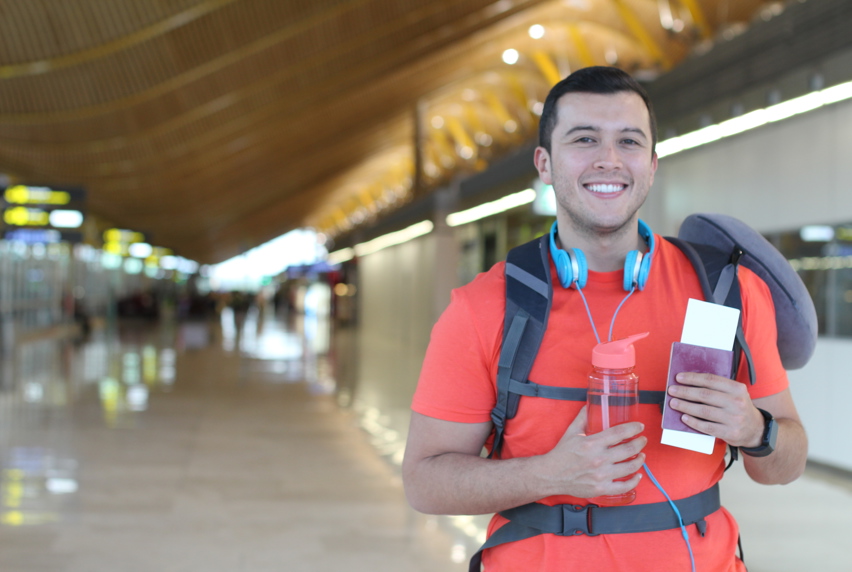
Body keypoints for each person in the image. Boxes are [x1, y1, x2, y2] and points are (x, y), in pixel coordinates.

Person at [401, 66, 807, 571]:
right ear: (545, 164)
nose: (609, 160)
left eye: (629, 141)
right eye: (585, 139)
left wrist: (756, 429)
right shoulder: (486, 307)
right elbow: (424, 482)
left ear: (653, 164)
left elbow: (784, 465)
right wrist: (549, 475)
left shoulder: (727, 292)